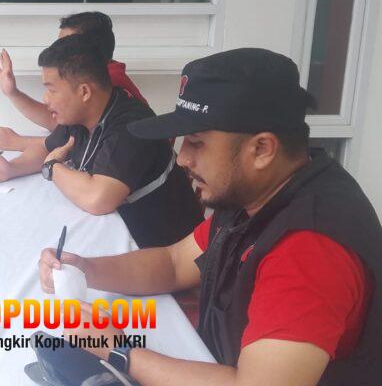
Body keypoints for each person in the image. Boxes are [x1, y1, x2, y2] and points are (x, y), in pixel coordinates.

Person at [38, 48, 381, 385]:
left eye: (197, 142)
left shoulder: (310, 249)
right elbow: (174, 263)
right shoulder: (256, 192)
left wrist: (121, 352)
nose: (182, 158)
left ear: (262, 149)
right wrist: (84, 269)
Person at [0, 34, 202, 248]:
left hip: (164, 251)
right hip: (118, 234)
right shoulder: (80, 115)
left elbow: (98, 198)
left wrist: (52, 167)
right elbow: (47, 149)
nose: (45, 99)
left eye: (51, 90)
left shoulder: (131, 126)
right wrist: (10, 169)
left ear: (84, 92)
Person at [0, 11, 148, 152]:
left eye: (68, 44)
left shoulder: (106, 84)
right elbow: (62, 126)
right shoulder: (106, 72)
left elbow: (66, 135)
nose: (59, 49)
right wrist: (12, 93)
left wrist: (18, 142)